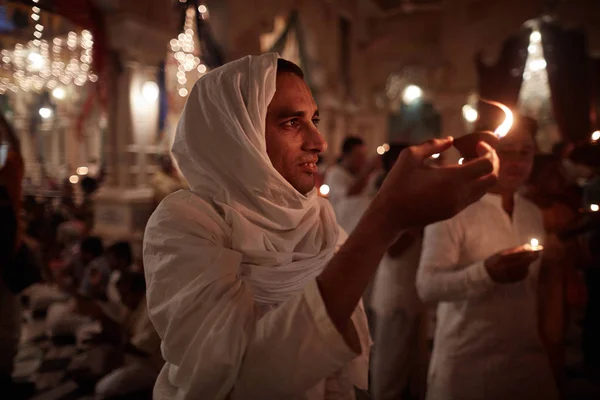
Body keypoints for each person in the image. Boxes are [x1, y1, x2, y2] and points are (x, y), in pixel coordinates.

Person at [143, 54, 499, 399]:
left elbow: (342, 360)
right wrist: (385, 219)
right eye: (292, 123)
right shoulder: (186, 222)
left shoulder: (319, 220)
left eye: (314, 119)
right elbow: (240, 379)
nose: (319, 142)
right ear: (237, 134)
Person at [417, 115, 559, 400]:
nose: (517, 162)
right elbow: (427, 286)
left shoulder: (530, 212)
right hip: (467, 366)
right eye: (506, 151)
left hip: (527, 363)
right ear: (485, 152)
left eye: (526, 152)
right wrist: (486, 272)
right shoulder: (453, 209)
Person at [371, 143, 428, 400]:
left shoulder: (412, 193)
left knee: (415, 361)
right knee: (390, 361)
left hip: (414, 287)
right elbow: (391, 249)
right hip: (395, 288)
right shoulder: (385, 196)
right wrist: (421, 221)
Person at [94, 271, 163, 399]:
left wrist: (117, 347)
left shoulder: (151, 310)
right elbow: (124, 329)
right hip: (134, 360)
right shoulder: (135, 306)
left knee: (103, 389)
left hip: (151, 367)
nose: (123, 300)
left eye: (125, 295)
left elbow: (140, 348)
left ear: (137, 292)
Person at [324, 136, 381, 233]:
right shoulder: (335, 173)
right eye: (358, 156)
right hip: (342, 225)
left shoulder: (365, 176)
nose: (363, 159)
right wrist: (367, 172)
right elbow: (349, 196)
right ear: (346, 155)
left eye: (364, 155)